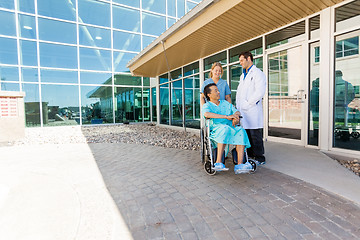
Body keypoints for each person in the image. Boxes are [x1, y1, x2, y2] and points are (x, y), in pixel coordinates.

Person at [203, 83, 252, 174]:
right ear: (209, 95)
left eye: (218, 90)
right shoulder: (207, 106)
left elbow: (236, 111)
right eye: (216, 91)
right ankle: (218, 162)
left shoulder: (225, 103)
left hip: (230, 127)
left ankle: (240, 165)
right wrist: (226, 117)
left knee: (240, 130)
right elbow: (207, 114)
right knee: (224, 129)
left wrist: (236, 117)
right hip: (216, 130)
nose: (218, 92)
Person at [236, 51, 266, 164]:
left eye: (242, 60)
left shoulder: (258, 73)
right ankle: (250, 157)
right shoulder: (243, 75)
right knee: (246, 135)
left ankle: (260, 158)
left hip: (252, 110)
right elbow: (240, 93)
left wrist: (248, 104)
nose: (240, 63)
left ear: (249, 58)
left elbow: (259, 92)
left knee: (255, 135)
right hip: (243, 111)